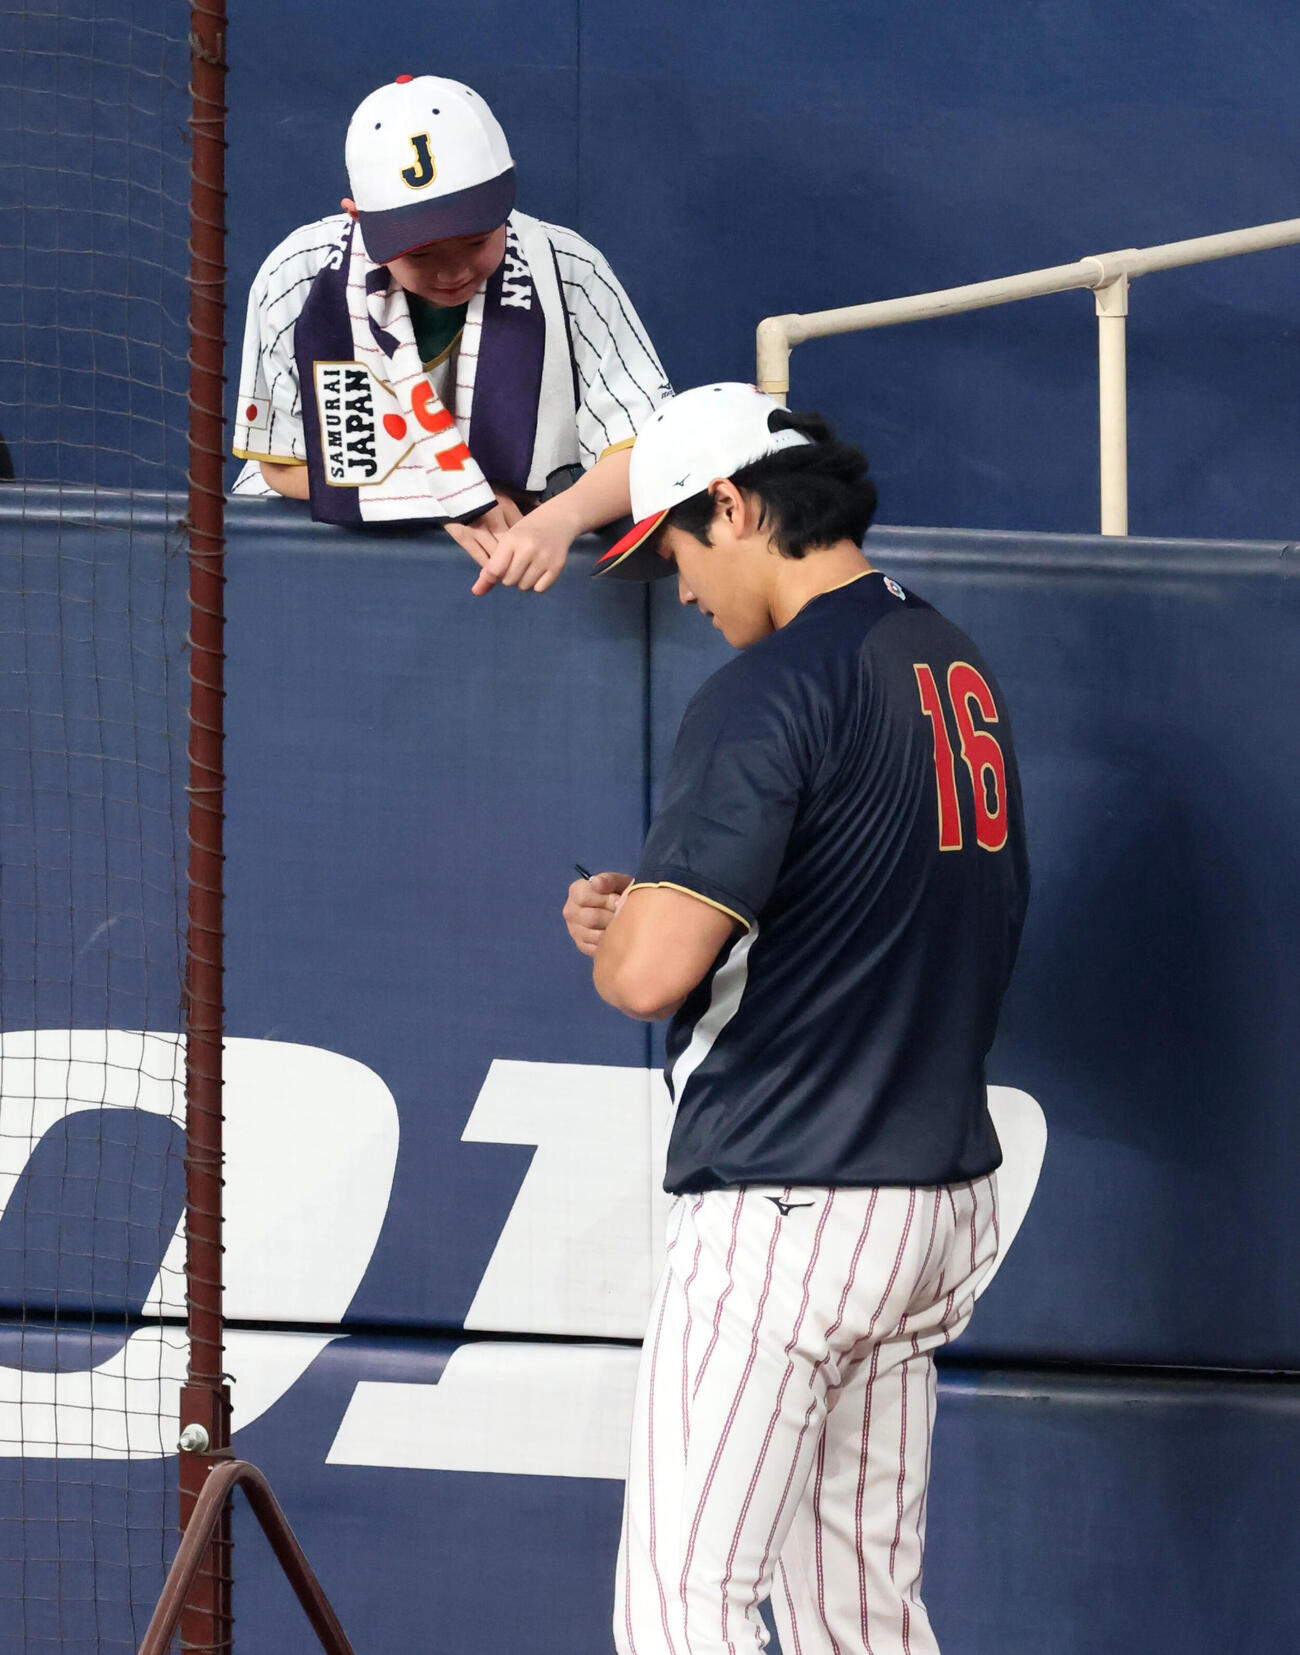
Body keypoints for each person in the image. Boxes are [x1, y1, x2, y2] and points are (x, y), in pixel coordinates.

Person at [562, 383, 1030, 1655]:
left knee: (682, 1606)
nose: (683, 588)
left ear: (735, 504)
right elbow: (885, 900)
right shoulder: (946, 656)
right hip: (930, 1198)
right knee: (858, 1618)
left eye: (678, 550)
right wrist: (665, 919)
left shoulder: (768, 687)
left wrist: (626, 942)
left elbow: (652, 977)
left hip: (790, 1196)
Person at [231, 74, 671, 594]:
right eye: (419, 252)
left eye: (475, 240)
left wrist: (564, 518)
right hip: (325, 563)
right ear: (359, 217)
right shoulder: (299, 276)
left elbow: (647, 449)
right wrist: (455, 496)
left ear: (507, 190)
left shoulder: (569, 269)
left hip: (520, 558)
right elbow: (283, 466)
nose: (453, 270)